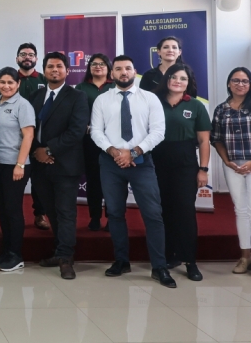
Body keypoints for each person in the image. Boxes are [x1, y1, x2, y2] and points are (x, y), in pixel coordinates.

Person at [90, 55, 176, 288]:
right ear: (112, 74)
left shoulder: (149, 99)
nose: (123, 72)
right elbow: (96, 132)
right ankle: (121, 261)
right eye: (118, 69)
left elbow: (158, 131)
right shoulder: (102, 100)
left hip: (142, 162)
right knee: (115, 213)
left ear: (134, 71)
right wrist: (114, 152)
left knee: (152, 214)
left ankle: (159, 267)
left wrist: (134, 152)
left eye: (128, 68)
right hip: (111, 162)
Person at [29, 52, 89, 280]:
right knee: (51, 211)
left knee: (65, 212)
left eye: (59, 66)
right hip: (40, 165)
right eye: (50, 66)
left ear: (67, 70)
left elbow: (76, 131)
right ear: (44, 71)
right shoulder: (36, 95)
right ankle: (59, 250)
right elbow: (28, 128)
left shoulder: (77, 97)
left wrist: (49, 150)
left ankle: (66, 258)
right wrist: (37, 151)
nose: (55, 70)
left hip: (65, 165)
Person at [152, 63, 210, 281]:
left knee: (185, 211)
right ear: (166, 79)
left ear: (189, 83)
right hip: (157, 162)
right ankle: (168, 256)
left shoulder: (196, 106)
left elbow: (204, 140)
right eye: (173, 77)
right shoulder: (153, 103)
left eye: (183, 78)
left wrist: (203, 169)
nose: (178, 81)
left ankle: (190, 261)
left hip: (185, 162)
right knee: (163, 210)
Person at [0, 67, 36, 272]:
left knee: (13, 210)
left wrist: (20, 164)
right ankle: (6, 251)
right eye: (2, 82)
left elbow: (29, 136)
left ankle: (16, 254)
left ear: (18, 84)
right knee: (2, 209)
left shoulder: (23, 105)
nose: (6, 86)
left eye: (10, 82)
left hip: (15, 165)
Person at [211, 67, 251, 274]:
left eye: (245, 81)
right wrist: (227, 161)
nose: (240, 84)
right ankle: (245, 256)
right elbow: (216, 138)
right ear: (229, 83)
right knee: (241, 209)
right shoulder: (221, 109)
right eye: (236, 80)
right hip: (233, 165)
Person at [75, 54, 115, 231]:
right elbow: (77, 112)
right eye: (94, 64)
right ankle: (95, 217)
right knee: (93, 180)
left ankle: (112, 217)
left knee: (113, 181)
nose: (98, 67)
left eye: (102, 64)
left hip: (114, 141)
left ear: (108, 67)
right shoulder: (81, 87)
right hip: (90, 141)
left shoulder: (115, 86)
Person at [15, 43, 50, 231]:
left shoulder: (44, 80)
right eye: (23, 54)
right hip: (15, 140)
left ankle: (40, 214)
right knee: (15, 179)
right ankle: (15, 215)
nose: (27, 57)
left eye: (31, 54)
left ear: (36, 59)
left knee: (39, 180)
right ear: (17, 59)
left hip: (38, 138)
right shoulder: (11, 79)